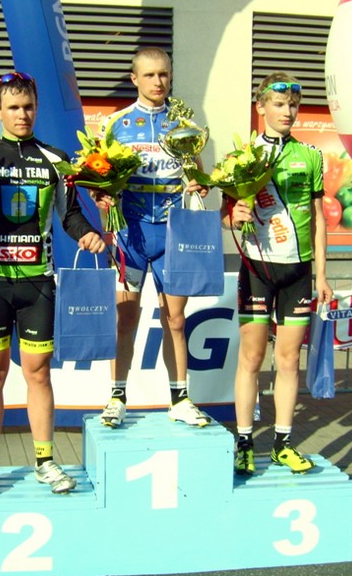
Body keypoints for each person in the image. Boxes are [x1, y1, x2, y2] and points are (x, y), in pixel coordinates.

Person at [0, 71, 106, 494]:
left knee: (38, 373)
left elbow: (70, 215)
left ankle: (45, 462)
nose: (22, 114)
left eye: (29, 106)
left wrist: (88, 234)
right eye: (14, 107)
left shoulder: (54, 159)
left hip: (38, 283)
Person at [90, 47, 211, 428]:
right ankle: (117, 397)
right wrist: (100, 195)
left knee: (175, 320)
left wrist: (200, 184)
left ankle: (180, 399)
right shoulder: (116, 124)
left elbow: (199, 174)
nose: (158, 82)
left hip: (174, 235)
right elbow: (97, 177)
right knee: (125, 319)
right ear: (134, 79)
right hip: (131, 234)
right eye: (149, 75)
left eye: (163, 74)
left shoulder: (184, 123)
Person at [222, 71, 334, 475]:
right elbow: (225, 218)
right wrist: (235, 216)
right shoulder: (242, 156)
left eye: (293, 105)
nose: (288, 112)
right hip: (257, 268)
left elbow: (319, 219)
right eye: (279, 104)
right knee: (252, 356)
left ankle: (283, 442)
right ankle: (244, 441)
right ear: (261, 107)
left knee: (288, 360)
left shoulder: (311, 155)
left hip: (298, 272)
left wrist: (322, 275)